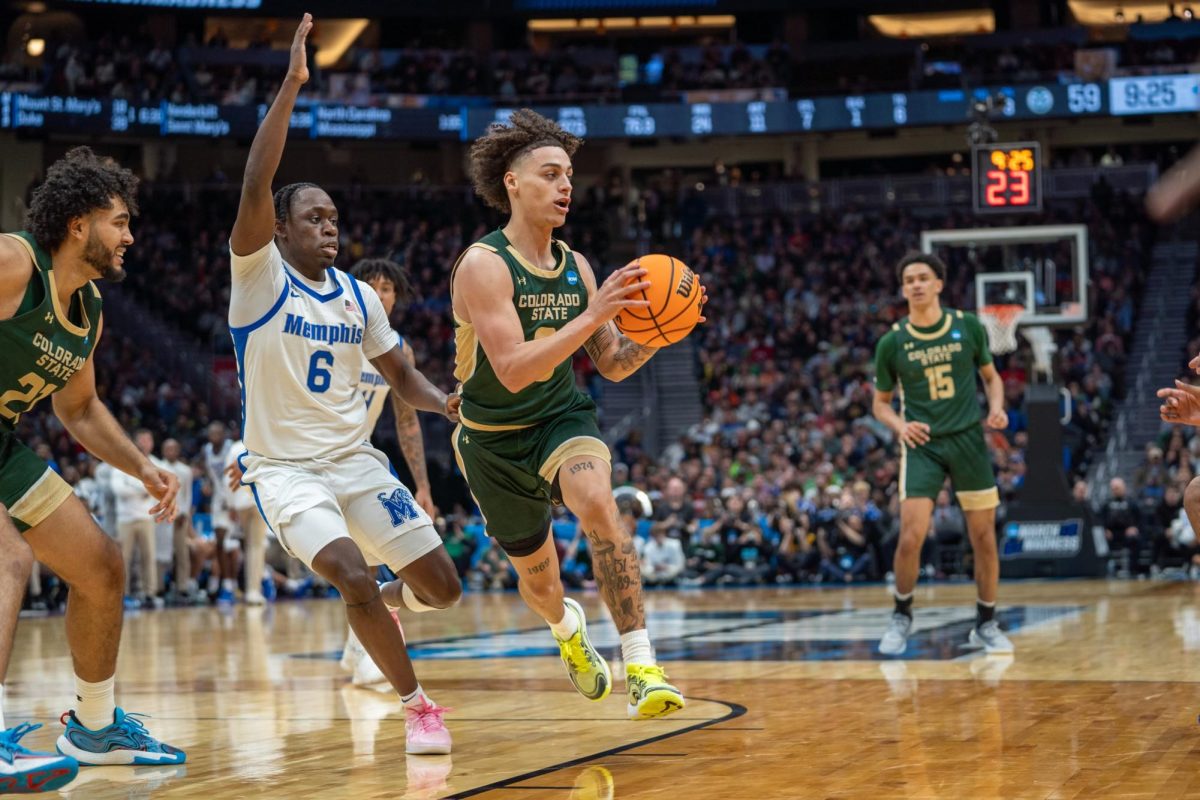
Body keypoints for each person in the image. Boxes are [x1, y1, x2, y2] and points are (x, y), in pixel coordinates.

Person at [228, 15, 461, 755]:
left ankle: (388, 602)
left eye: (334, 217)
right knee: (351, 573)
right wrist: (293, 84)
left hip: (356, 465)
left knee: (443, 588)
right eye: (313, 217)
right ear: (282, 230)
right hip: (286, 471)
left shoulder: (359, 298)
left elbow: (402, 377)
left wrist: (446, 402)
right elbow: (257, 178)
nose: (329, 226)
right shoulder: (259, 277)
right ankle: (418, 705)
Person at [436, 107, 691, 719]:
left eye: (569, 175)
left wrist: (662, 332)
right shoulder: (483, 264)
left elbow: (610, 363)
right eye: (550, 174)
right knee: (543, 587)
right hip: (492, 441)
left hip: (559, 419)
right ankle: (567, 631)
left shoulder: (577, 267)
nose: (565, 186)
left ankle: (643, 666)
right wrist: (595, 313)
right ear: (513, 185)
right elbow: (514, 367)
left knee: (600, 503)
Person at [0, 146, 185, 791]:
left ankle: (95, 727)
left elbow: (78, 410)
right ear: (78, 225)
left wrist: (145, 467)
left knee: (101, 566)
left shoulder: (88, 311)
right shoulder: (13, 262)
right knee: (8, 560)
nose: (130, 235)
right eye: (119, 221)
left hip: (2, 443)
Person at [872, 252, 1014, 656]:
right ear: (904, 290)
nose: (915, 284)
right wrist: (900, 426)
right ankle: (901, 615)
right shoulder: (892, 341)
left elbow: (991, 377)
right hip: (922, 445)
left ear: (938, 284)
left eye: (923, 278)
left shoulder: (967, 325)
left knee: (984, 537)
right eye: (909, 280)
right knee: (911, 535)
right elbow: (879, 404)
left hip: (968, 440)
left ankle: (986, 623)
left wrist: (997, 407)